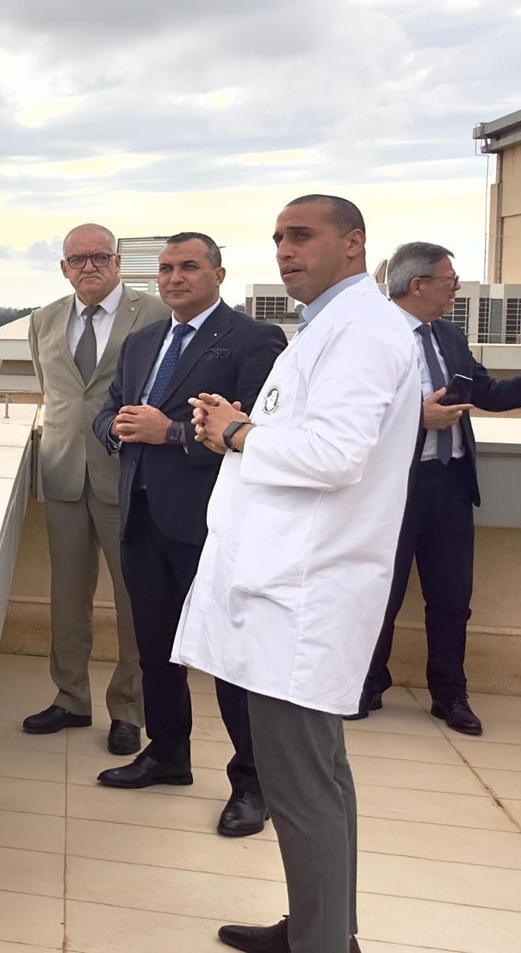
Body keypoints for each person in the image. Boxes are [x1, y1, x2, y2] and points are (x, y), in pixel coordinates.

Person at [183, 195, 420, 953]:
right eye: (279, 237)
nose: (285, 250)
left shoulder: (363, 331)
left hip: (304, 597)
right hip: (291, 588)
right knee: (321, 780)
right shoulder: (334, 326)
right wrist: (244, 429)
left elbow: (336, 455)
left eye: (303, 235)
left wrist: (238, 432)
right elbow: (310, 435)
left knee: (303, 789)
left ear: (353, 244)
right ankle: (322, 930)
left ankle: (321, 944)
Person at [92, 232, 286, 838]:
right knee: (156, 648)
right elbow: (108, 410)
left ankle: (252, 782)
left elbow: (256, 431)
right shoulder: (141, 342)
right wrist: (117, 428)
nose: (175, 278)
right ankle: (168, 753)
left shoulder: (254, 339)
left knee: (228, 655)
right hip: (142, 518)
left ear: (218, 274)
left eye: (189, 267)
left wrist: (169, 432)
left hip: (211, 525)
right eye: (166, 268)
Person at [355, 242, 521, 734]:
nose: (456, 287)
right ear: (418, 285)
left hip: (450, 484)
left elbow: (487, 394)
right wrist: (415, 418)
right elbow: (347, 417)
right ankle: (366, 683)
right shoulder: (369, 335)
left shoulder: (448, 334)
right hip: (392, 486)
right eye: (450, 280)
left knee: (451, 599)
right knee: (380, 593)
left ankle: (450, 695)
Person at [24, 223, 163, 754]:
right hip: (62, 473)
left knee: (134, 601)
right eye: (77, 259)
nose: (89, 267)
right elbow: (55, 395)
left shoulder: (154, 314)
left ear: (118, 262)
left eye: (100, 257)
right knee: (66, 598)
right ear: (64, 268)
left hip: (128, 477)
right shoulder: (44, 320)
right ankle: (70, 699)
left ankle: (128, 709)